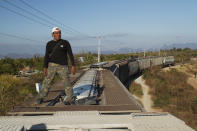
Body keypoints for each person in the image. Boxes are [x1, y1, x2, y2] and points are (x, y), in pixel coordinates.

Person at [35, 27, 75, 104]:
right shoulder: (49, 44)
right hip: (51, 65)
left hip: (63, 66)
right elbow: (46, 56)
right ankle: (40, 98)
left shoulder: (65, 43)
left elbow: (70, 54)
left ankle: (70, 98)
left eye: (59, 33)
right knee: (47, 83)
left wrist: (73, 65)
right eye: (56, 33)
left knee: (67, 82)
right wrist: (45, 67)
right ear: (52, 34)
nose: (58, 34)